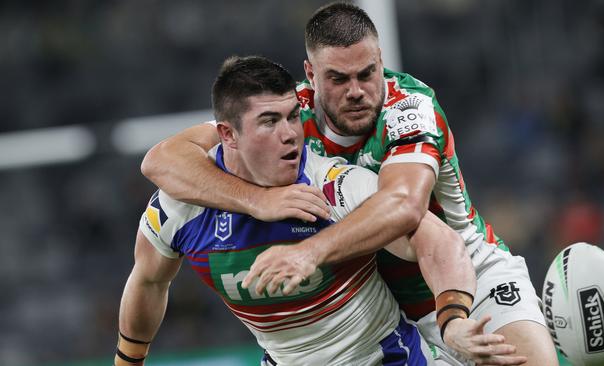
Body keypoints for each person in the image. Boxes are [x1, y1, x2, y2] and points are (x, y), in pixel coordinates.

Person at [140, 3, 558, 366]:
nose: (357, 91)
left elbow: (403, 207)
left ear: (380, 61)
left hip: (464, 275)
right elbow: (163, 160)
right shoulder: (288, 115)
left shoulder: (409, 108)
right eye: (339, 79)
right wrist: (255, 202)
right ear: (311, 75)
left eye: (367, 73)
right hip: (378, 300)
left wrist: (310, 252)